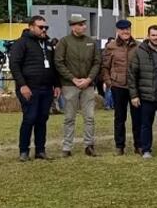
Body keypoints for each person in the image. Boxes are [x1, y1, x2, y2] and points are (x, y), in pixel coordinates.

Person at [9, 17, 61, 161]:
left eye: (46, 27)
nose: (44, 30)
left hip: (46, 88)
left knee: (42, 119)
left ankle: (40, 150)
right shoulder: (21, 43)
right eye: (41, 27)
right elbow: (14, 65)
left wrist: (57, 84)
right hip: (29, 88)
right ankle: (24, 150)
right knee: (30, 118)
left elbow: (53, 66)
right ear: (31, 27)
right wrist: (22, 85)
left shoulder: (48, 44)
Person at [54, 14, 101, 157]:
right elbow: (59, 62)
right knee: (69, 117)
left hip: (88, 85)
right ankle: (67, 147)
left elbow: (97, 62)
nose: (84, 26)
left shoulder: (91, 42)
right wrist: (73, 79)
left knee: (89, 117)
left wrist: (89, 79)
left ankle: (89, 145)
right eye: (81, 24)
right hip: (70, 85)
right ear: (73, 26)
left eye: (84, 24)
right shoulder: (64, 42)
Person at [128, 25, 157, 159]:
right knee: (145, 125)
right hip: (146, 96)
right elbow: (132, 75)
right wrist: (134, 95)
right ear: (148, 36)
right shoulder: (139, 51)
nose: (155, 38)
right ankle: (146, 150)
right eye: (153, 35)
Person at [100, 20, 140, 156]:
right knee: (119, 118)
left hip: (135, 87)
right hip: (118, 86)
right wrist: (108, 81)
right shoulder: (110, 47)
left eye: (127, 29)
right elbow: (105, 67)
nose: (125, 32)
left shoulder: (138, 46)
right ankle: (119, 146)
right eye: (122, 29)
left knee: (137, 118)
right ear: (117, 31)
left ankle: (138, 145)